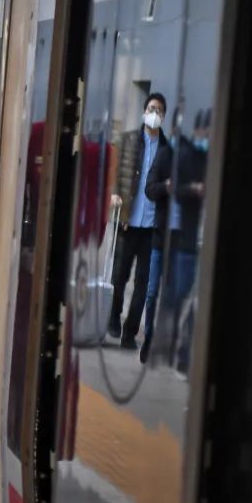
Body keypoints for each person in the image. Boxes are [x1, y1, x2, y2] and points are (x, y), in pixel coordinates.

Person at [141, 115, 208, 364]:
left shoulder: (196, 159)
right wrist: (165, 187)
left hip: (181, 241)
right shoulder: (165, 155)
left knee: (174, 295)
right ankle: (149, 339)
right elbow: (150, 188)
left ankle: (166, 344)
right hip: (161, 237)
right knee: (152, 292)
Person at [109, 93, 169, 349]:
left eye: (159, 110)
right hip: (127, 221)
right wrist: (114, 195)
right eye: (151, 108)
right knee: (119, 276)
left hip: (151, 227)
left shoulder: (167, 150)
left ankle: (130, 333)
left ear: (163, 116)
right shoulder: (128, 140)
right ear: (144, 111)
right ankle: (113, 318)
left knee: (143, 284)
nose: (155, 114)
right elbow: (114, 172)